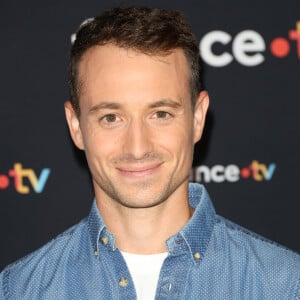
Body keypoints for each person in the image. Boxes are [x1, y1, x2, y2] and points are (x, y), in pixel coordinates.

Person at [1, 6, 299, 300]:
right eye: (110, 118)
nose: (138, 147)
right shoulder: (18, 290)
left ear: (198, 118)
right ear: (76, 126)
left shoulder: (284, 286)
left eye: (160, 114)